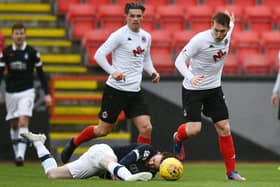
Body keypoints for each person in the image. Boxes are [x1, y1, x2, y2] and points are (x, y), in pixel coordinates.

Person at [61, 2, 160, 164]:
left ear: (143, 17)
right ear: (126, 17)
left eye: (138, 16)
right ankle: (74, 142)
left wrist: (153, 71)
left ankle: (143, 163)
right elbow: (99, 55)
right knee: (102, 130)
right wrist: (113, 71)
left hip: (135, 92)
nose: (135, 19)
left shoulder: (146, 37)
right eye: (132, 16)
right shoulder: (119, 35)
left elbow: (145, 59)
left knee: (146, 128)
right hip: (116, 90)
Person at [172, 11, 245, 181]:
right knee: (194, 129)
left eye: (223, 31)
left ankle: (231, 172)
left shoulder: (228, 30)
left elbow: (231, 24)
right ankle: (177, 137)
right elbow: (178, 61)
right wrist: (191, 77)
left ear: (228, 28)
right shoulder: (200, 40)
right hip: (193, 88)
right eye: (216, 30)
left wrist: (231, 22)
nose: (219, 35)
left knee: (224, 127)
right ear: (211, 24)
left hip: (214, 88)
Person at [20, 131, 174, 180]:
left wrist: (109, 175)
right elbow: (129, 158)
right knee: (111, 161)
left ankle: (39, 142)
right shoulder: (148, 150)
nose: (152, 163)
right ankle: (127, 178)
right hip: (103, 152)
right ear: (158, 154)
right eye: (155, 160)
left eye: (156, 165)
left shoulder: (150, 173)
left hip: (97, 166)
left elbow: (105, 177)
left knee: (52, 174)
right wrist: (120, 175)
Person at [0, 23, 52, 166]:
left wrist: (47, 94)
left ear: (25, 35)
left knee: (23, 121)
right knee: (14, 124)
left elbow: (41, 75)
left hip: (27, 92)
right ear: (12, 35)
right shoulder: (6, 52)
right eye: (17, 33)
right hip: (10, 92)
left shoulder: (32, 52)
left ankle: (20, 156)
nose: (19, 36)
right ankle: (17, 150)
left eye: (21, 33)